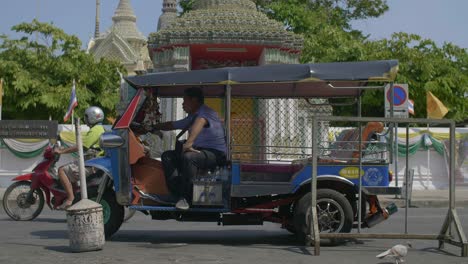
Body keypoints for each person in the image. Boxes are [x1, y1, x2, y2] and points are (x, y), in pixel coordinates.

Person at [151, 87, 227, 210]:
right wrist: (152, 127)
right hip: (200, 151)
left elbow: (200, 121)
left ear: (194, 100)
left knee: (189, 157)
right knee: (167, 156)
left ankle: (186, 198)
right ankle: (175, 193)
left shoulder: (206, 112)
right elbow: (172, 124)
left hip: (215, 153)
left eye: (185, 100)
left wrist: (189, 143)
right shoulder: (192, 117)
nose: (182, 104)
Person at [54, 106, 106, 209]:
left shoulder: (96, 130)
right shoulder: (99, 129)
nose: (85, 120)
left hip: (91, 164)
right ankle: (75, 197)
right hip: (94, 162)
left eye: (86, 117)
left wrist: (61, 151)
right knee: (71, 171)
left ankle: (70, 199)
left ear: (92, 117)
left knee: (61, 170)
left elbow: (81, 146)